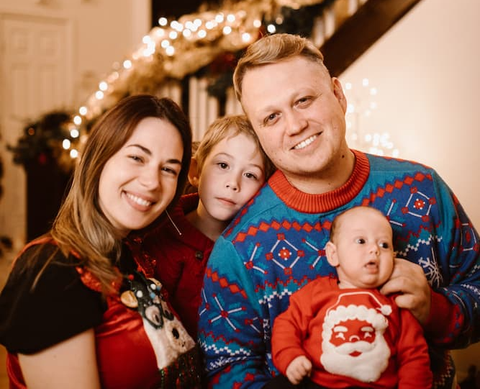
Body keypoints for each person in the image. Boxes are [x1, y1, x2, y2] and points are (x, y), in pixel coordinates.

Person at [197, 33, 480, 389]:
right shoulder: (238, 249)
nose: (295, 126)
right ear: (259, 132)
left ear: (338, 95)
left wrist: (436, 310)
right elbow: (225, 369)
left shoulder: (422, 189)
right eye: (271, 117)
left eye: (304, 100)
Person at [0, 94, 203, 389]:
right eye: (137, 158)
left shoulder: (134, 256)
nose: (152, 182)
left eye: (168, 169)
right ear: (99, 158)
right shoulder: (52, 271)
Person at [141, 114, 274, 338]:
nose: (233, 183)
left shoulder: (255, 251)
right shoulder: (159, 233)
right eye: (223, 165)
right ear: (195, 172)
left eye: (250, 174)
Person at [271, 206, 432, 388]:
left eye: (384, 245)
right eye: (361, 241)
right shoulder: (316, 293)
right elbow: (286, 325)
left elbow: (414, 357)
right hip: (316, 381)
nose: (375, 249)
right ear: (333, 254)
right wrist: (291, 357)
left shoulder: (396, 303)